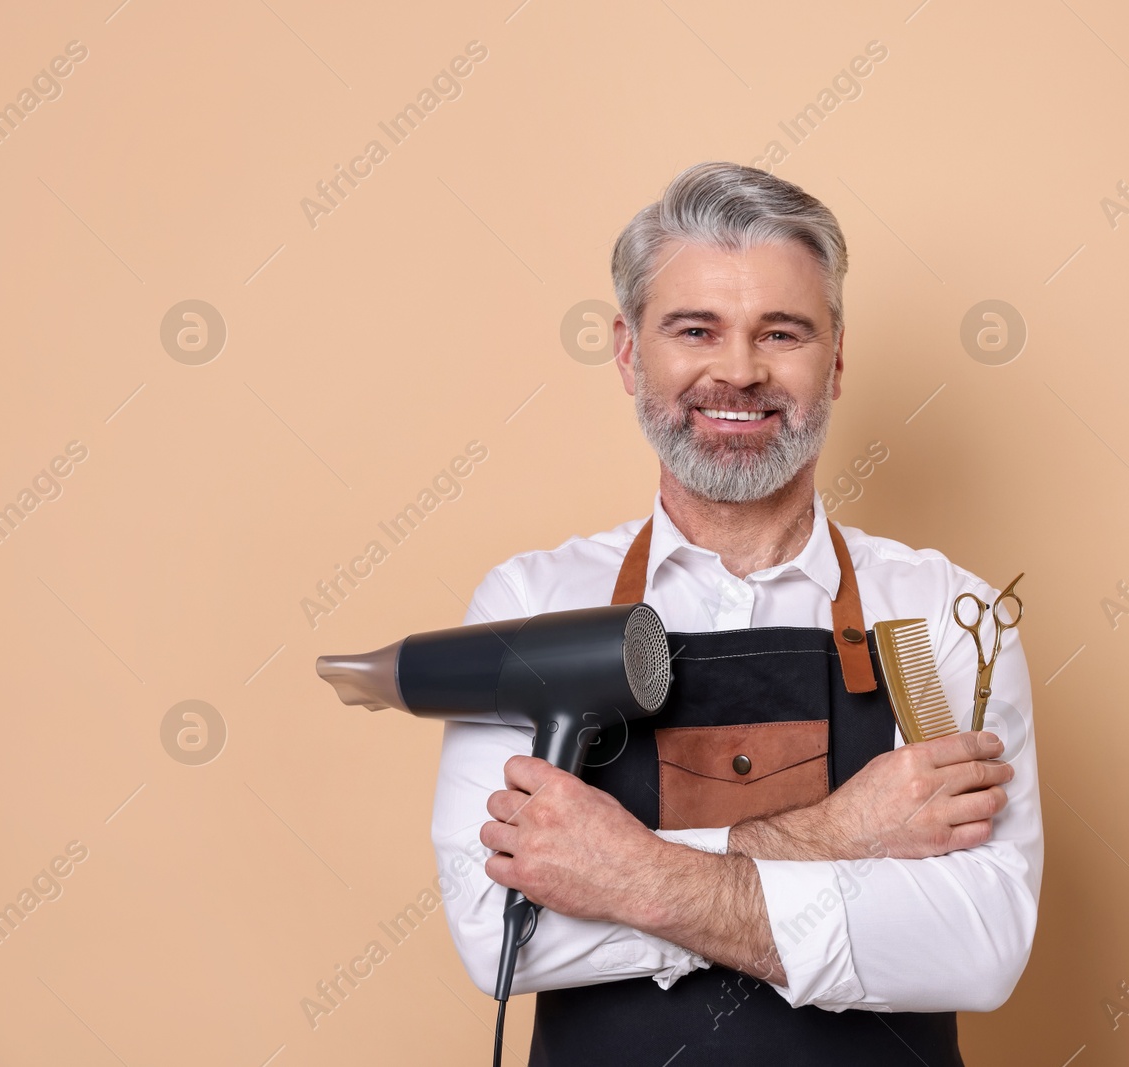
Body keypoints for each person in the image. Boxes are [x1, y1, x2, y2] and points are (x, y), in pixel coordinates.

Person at [430, 161, 1042, 1065]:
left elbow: (980, 947)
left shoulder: (944, 615)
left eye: (782, 332)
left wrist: (629, 875)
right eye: (695, 329)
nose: (739, 371)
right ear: (630, 352)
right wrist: (843, 836)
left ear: (834, 361)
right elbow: (501, 935)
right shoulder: (531, 609)